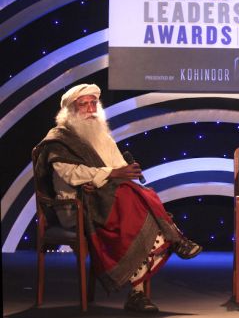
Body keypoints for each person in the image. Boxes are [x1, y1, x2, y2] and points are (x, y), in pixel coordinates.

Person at [34, 83, 203, 313]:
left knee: (136, 194)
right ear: (70, 110)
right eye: (84, 104)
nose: (91, 109)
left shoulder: (102, 136)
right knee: (133, 194)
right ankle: (173, 236)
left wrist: (128, 170)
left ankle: (138, 294)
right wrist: (113, 174)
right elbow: (71, 174)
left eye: (93, 103)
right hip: (74, 206)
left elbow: (119, 168)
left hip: (108, 201)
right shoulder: (58, 140)